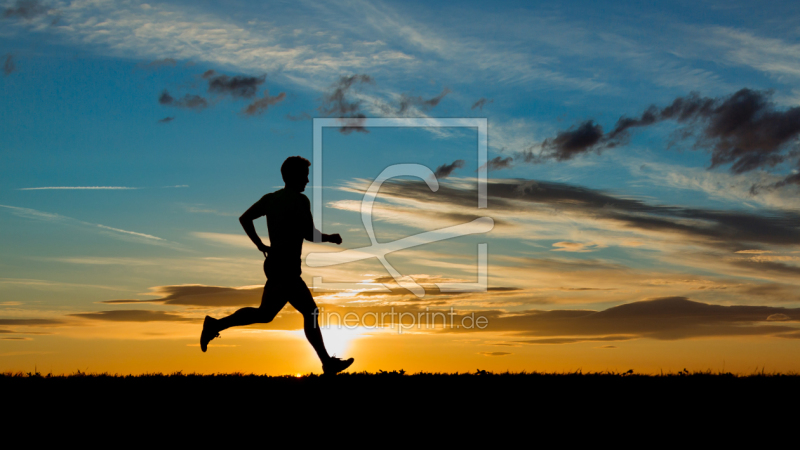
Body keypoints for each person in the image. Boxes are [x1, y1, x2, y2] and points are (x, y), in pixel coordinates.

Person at [199, 156, 354, 375]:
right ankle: (327, 363)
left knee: (266, 314)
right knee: (309, 311)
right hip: (285, 268)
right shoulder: (300, 201)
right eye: (304, 175)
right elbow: (309, 233)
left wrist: (260, 244)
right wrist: (330, 238)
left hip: (276, 264)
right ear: (293, 176)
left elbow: (245, 218)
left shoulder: (270, 199)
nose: (307, 180)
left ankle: (214, 326)